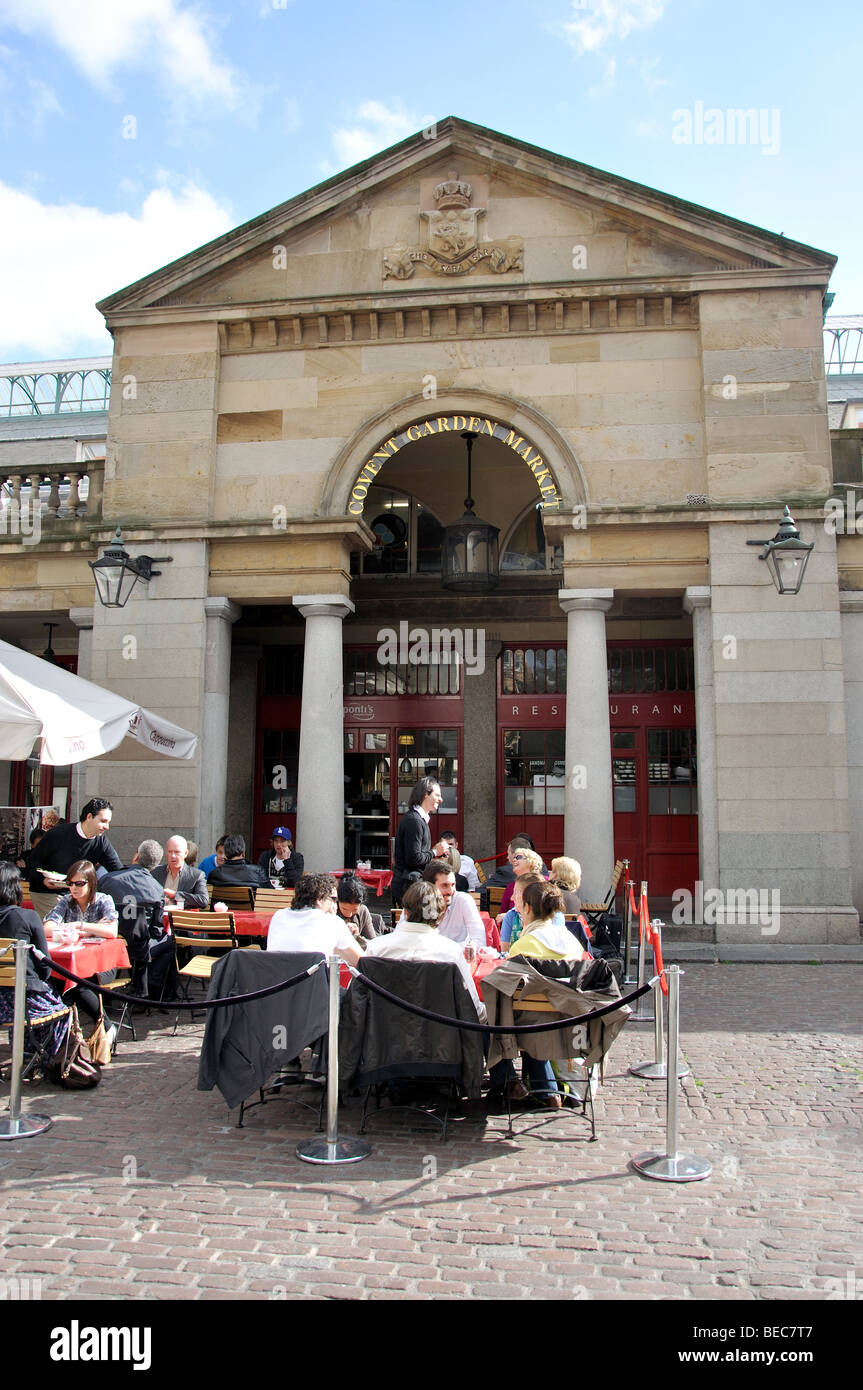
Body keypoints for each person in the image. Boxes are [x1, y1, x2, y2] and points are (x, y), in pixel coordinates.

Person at [491, 880, 584, 1109]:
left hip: (532, 1024)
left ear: (529, 909)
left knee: (492, 1019)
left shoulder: (523, 946)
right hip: (569, 1021)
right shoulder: (573, 943)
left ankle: (507, 1082)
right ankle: (547, 1088)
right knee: (537, 1013)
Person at [364, 878, 486, 1021]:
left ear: (405, 913)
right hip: (441, 1038)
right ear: (440, 916)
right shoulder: (451, 953)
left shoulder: (375, 949)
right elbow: (474, 1010)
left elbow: (359, 1000)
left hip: (384, 1036)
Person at [0, 860, 70, 1066]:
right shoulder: (28, 917)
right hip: (23, 1000)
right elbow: (44, 966)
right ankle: (47, 1061)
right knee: (63, 1011)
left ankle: (26, 1056)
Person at [42, 860, 119, 1036]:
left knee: (75, 983)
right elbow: (47, 927)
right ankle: (62, 1034)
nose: (73, 888)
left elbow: (111, 931)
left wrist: (79, 926)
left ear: (91, 883)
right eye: (70, 883)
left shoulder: (104, 900)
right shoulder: (67, 901)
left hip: (103, 964)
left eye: (79, 883)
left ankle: (106, 1027)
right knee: (59, 980)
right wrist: (92, 929)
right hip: (73, 963)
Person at [100, 840, 174, 1001]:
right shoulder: (156, 889)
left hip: (109, 941)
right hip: (139, 946)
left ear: (136, 856)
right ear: (155, 865)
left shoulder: (107, 879)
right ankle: (153, 989)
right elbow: (156, 928)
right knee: (170, 943)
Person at [28, 798, 123, 918]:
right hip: (47, 892)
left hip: (78, 894)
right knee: (58, 928)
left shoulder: (101, 842)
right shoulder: (58, 834)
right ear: (89, 817)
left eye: (108, 822)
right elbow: (34, 860)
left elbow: (117, 870)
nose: (107, 827)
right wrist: (43, 880)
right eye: (103, 821)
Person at [266, 873, 361, 964]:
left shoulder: (278, 916)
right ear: (319, 899)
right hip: (313, 980)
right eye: (333, 899)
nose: (335, 904)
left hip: (277, 979)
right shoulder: (332, 922)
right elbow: (361, 961)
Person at [391, 777, 448, 904]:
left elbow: (416, 856)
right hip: (409, 887)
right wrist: (434, 852)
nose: (441, 799)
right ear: (425, 795)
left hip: (411, 885)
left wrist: (434, 855)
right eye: (437, 795)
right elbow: (413, 859)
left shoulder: (418, 819)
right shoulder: (415, 821)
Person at [420, 860, 485, 951]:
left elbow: (479, 941)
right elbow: (404, 937)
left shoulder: (463, 900)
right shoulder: (418, 902)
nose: (451, 891)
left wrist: (442, 949)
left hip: (457, 961)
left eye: (453, 885)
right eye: (445, 885)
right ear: (429, 887)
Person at [151, 835, 209, 909]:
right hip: (159, 918)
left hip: (181, 918)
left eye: (177, 852)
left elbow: (203, 900)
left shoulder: (196, 875)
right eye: (170, 852)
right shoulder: (156, 872)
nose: (173, 856)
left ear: (185, 853)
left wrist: (175, 895)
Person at [497, 847, 545, 920]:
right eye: (514, 857)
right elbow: (502, 912)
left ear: (531, 861)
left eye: (518, 857)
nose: (514, 860)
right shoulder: (511, 886)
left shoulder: (542, 883)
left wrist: (508, 916)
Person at [336, 874, 377, 943]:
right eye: (344, 909)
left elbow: (373, 943)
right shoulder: (330, 911)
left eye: (354, 910)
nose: (349, 914)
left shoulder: (363, 911)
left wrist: (357, 936)